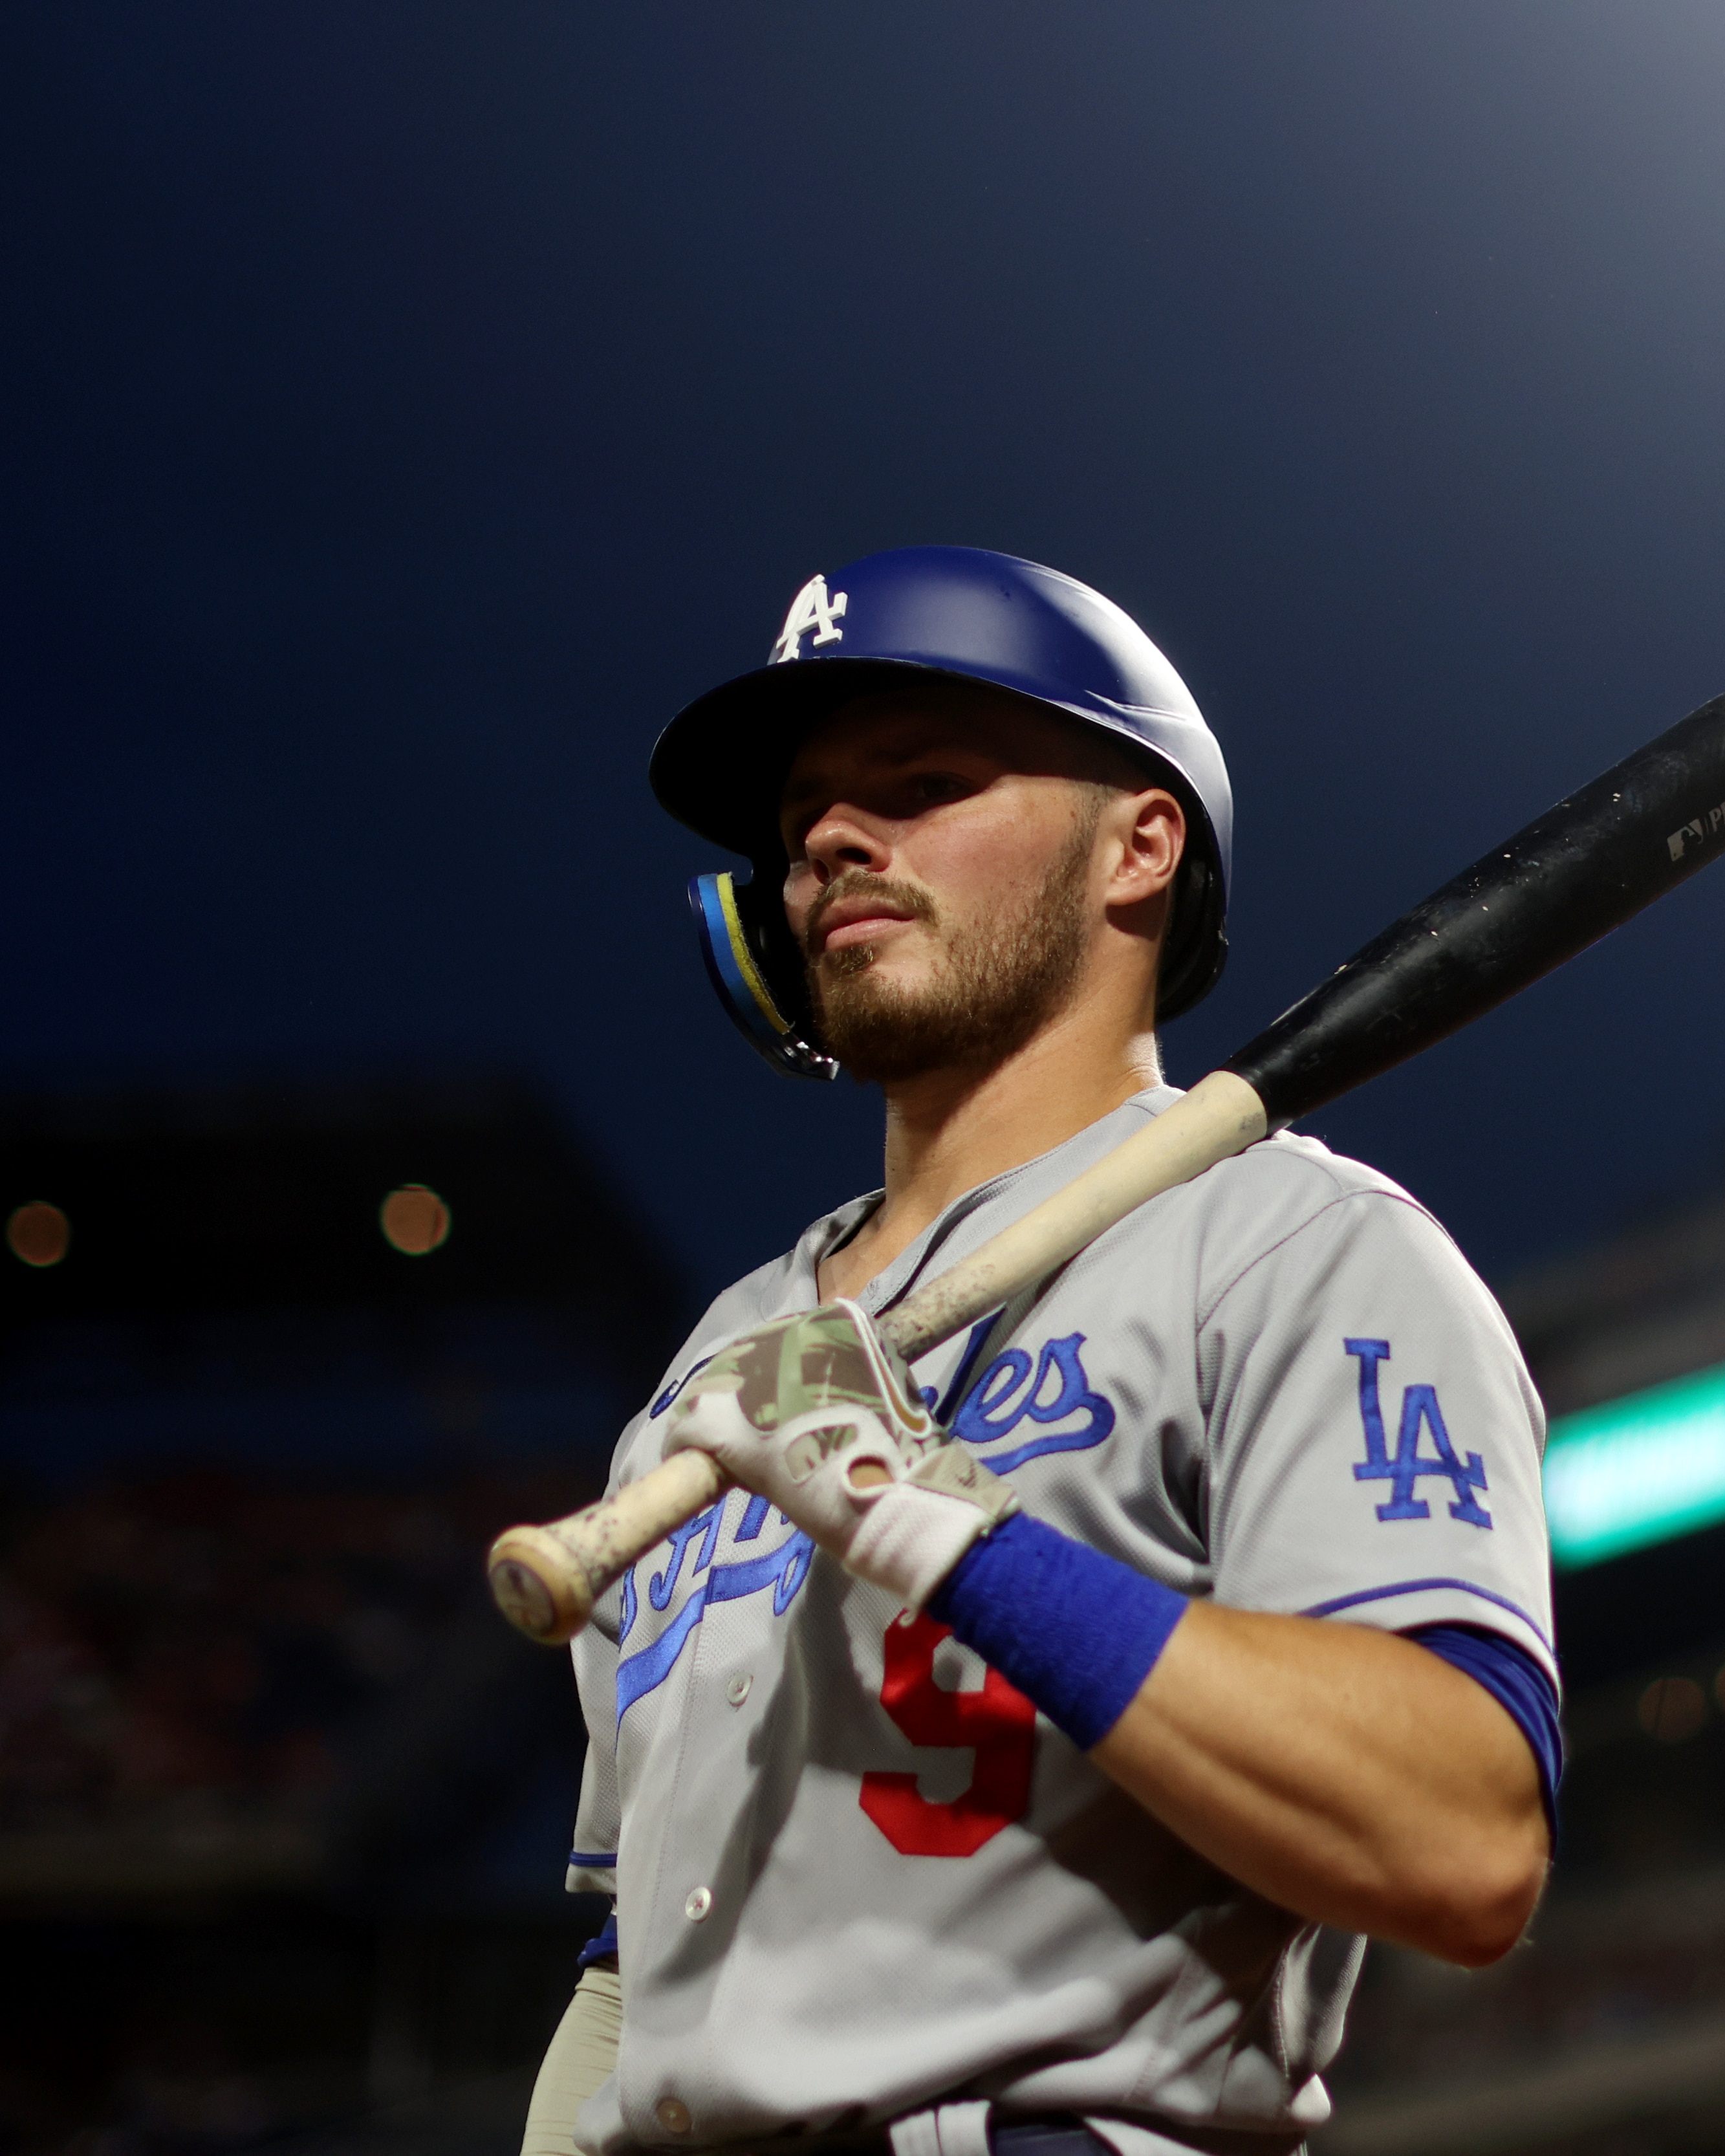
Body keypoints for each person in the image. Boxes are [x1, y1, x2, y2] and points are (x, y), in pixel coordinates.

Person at [523, 547, 1559, 2156]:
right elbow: (627, 1970)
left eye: (926, 780)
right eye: (803, 814)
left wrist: (931, 1526)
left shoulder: (1292, 1250)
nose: (829, 842)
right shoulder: (720, 1358)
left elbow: (1461, 1830)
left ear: (1139, 845)